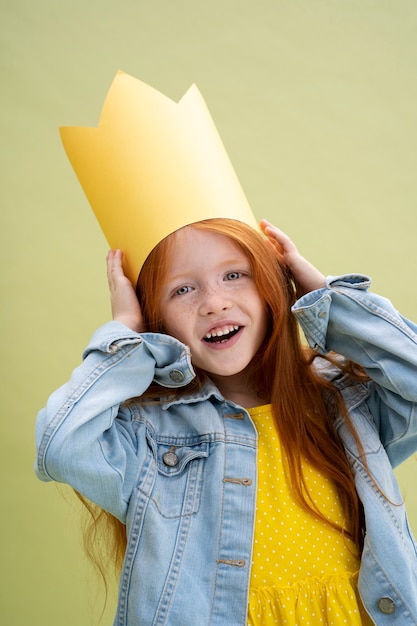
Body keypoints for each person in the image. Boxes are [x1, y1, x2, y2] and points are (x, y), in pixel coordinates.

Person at [35, 217, 417, 625]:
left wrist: (327, 300)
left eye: (234, 275)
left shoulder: (340, 400)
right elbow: (62, 445)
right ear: (155, 320)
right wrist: (126, 338)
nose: (213, 302)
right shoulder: (151, 434)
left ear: (273, 284)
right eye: (183, 289)